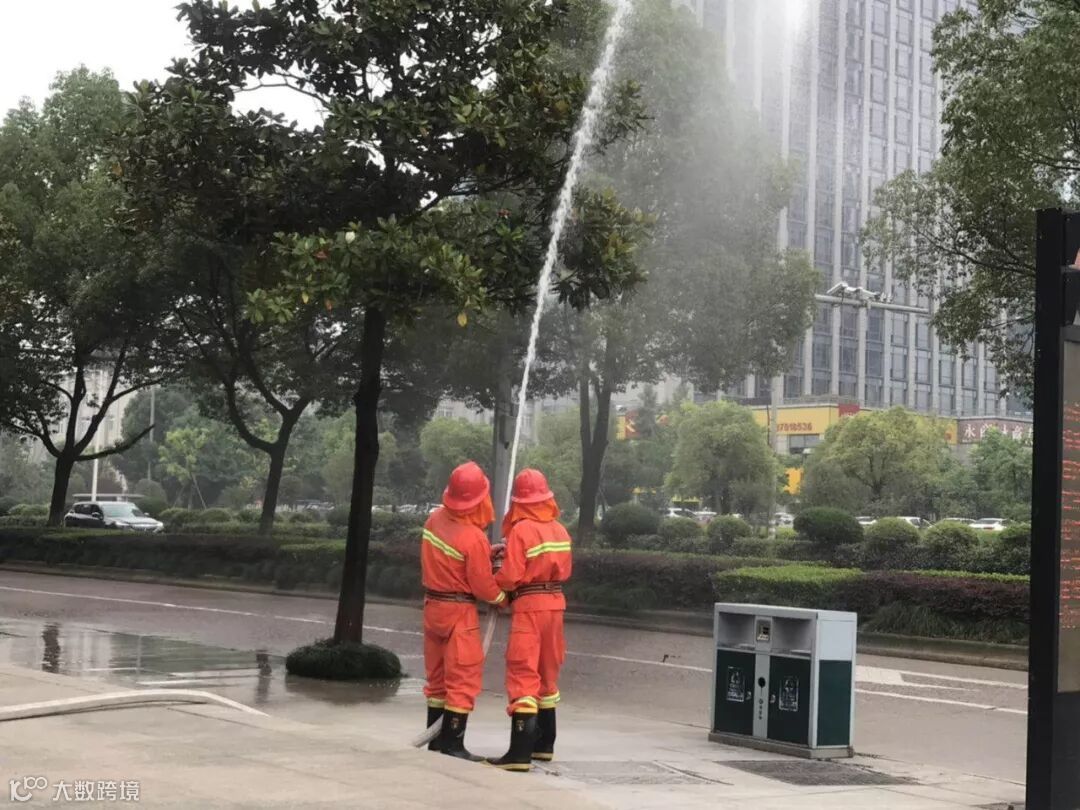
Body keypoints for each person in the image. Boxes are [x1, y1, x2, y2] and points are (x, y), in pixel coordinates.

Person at [488, 468, 572, 771]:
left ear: (519, 501)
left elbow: (511, 575)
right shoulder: (560, 530)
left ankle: (519, 753)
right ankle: (544, 745)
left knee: (523, 671)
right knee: (547, 672)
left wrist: (496, 581)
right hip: (555, 604)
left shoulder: (522, 530)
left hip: (529, 606)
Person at [421, 461, 506, 760]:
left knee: (437, 680)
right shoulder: (473, 537)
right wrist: (502, 598)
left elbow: (452, 558)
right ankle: (453, 745)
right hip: (459, 612)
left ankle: (434, 742)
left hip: (433, 607)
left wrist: (486, 553)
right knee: (462, 678)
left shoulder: (433, 521)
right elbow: (482, 585)